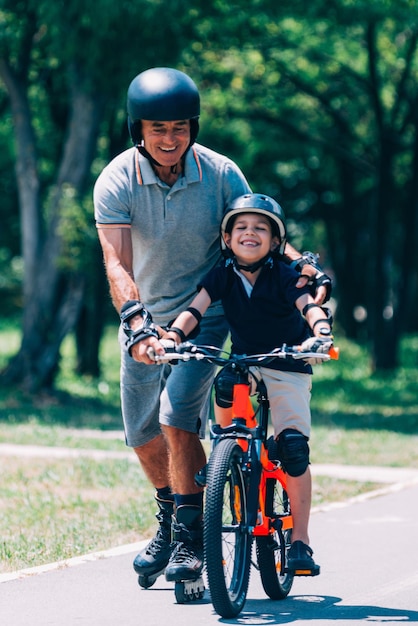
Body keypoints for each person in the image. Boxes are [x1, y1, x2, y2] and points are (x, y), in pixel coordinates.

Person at [94, 67, 331, 587]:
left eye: (179, 127)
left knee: (177, 417)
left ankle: (189, 540)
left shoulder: (221, 173)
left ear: (193, 128)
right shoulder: (116, 179)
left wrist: (304, 271)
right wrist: (136, 324)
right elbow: (117, 263)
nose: (169, 139)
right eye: (157, 129)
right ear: (139, 130)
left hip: (209, 311)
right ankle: (169, 512)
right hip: (147, 318)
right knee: (141, 433)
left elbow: (256, 230)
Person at [157, 193, 334, 571]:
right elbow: (195, 308)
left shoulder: (285, 275)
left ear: (275, 241)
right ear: (227, 238)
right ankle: (228, 448)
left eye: (260, 228)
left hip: (288, 364)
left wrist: (320, 331)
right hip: (248, 362)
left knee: (293, 450)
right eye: (241, 227)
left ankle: (300, 541)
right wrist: (173, 336)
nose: (250, 233)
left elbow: (309, 306)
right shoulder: (222, 273)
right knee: (226, 384)